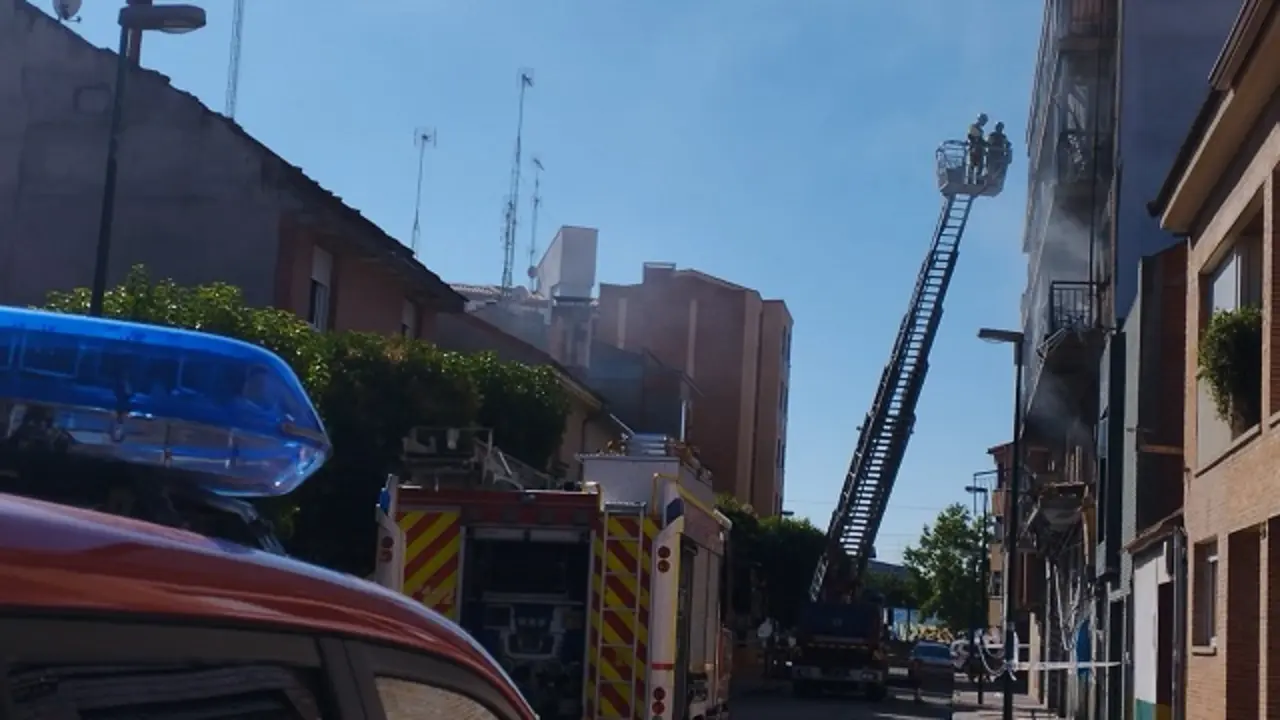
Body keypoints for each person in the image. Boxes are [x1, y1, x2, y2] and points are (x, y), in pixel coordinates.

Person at [967, 114, 988, 183]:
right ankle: (970, 180)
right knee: (972, 165)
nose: (984, 123)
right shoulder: (973, 127)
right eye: (983, 121)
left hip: (980, 150)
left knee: (980, 166)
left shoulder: (981, 130)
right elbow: (972, 137)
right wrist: (982, 142)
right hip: (974, 149)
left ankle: (978, 181)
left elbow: (980, 139)